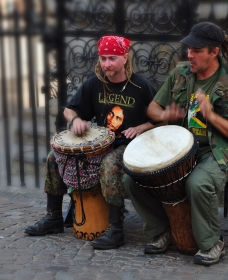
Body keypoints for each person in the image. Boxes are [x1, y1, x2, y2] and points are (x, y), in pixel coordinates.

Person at [125, 22, 228, 266]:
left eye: (197, 50)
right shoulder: (180, 73)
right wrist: (164, 116)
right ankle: (162, 231)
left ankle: (212, 243)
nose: (189, 54)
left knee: (198, 182)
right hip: (178, 150)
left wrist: (212, 117)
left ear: (213, 52)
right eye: (188, 48)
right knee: (132, 178)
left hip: (216, 151)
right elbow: (153, 108)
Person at [25, 35, 157, 250]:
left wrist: (141, 127)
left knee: (110, 165)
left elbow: (161, 119)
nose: (106, 64)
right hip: (100, 143)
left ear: (125, 58)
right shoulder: (94, 84)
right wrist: (75, 120)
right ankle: (54, 218)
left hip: (129, 145)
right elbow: (69, 109)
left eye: (112, 58)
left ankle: (116, 230)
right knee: (53, 157)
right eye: (103, 59)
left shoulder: (141, 86)